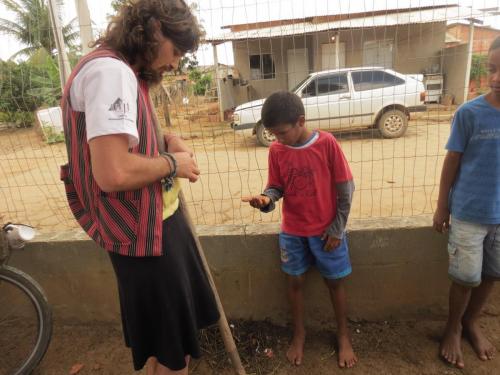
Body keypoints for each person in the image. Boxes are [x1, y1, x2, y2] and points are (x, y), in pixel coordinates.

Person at [59, 1, 219, 374]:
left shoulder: (119, 68)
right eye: (176, 52)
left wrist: (166, 138)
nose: (175, 63)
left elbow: (116, 136)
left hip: (154, 222)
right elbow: (112, 172)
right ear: (154, 31)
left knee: (164, 341)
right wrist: (173, 164)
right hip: (145, 231)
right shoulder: (110, 73)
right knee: (173, 351)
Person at [242, 91, 357, 368]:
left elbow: (346, 188)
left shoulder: (326, 143)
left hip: (327, 231)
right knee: (294, 282)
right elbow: (276, 187)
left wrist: (337, 229)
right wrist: (266, 200)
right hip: (292, 231)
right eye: (272, 134)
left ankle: (343, 335)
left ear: (300, 121)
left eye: (281, 132)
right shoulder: (277, 151)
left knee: (335, 282)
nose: (277, 139)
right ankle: (299, 334)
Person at [433, 36, 500, 369]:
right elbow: (453, 162)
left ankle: (472, 321)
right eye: (492, 69)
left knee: (492, 274)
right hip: (469, 214)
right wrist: (442, 206)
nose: (497, 77)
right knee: (465, 277)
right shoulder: (470, 113)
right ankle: (453, 327)